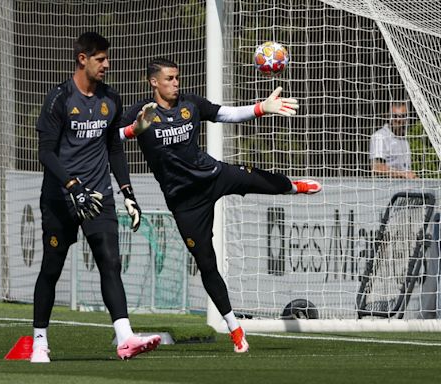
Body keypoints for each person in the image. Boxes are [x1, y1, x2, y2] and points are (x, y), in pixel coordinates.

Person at [119, 58, 322, 353]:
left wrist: (260, 109)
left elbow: (225, 114)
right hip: (184, 202)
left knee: (251, 178)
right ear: (154, 82)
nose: (176, 83)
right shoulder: (140, 112)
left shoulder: (191, 104)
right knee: (206, 263)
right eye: (169, 78)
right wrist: (133, 129)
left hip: (211, 176)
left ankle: (294, 186)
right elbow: (108, 140)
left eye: (177, 77)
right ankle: (234, 328)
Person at [31, 32, 161, 363]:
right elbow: (46, 153)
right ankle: (40, 342)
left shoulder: (111, 99)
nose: (107, 64)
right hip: (61, 198)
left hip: (99, 196)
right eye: (101, 59)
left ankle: (125, 337)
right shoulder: (59, 98)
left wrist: (128, 193)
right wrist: (72, 185)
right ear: (83, 59)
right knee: (51, 268)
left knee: (110, 262)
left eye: (107, 58)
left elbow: (114, 149)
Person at [369, 101, 416, 179]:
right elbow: (376, 168)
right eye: (395, 116)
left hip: (405, 187)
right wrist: (403, 174)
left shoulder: (404, 138)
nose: (398, 119)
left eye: (402, 116)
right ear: (388, 116)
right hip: (386, 188)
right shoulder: (379, 136)